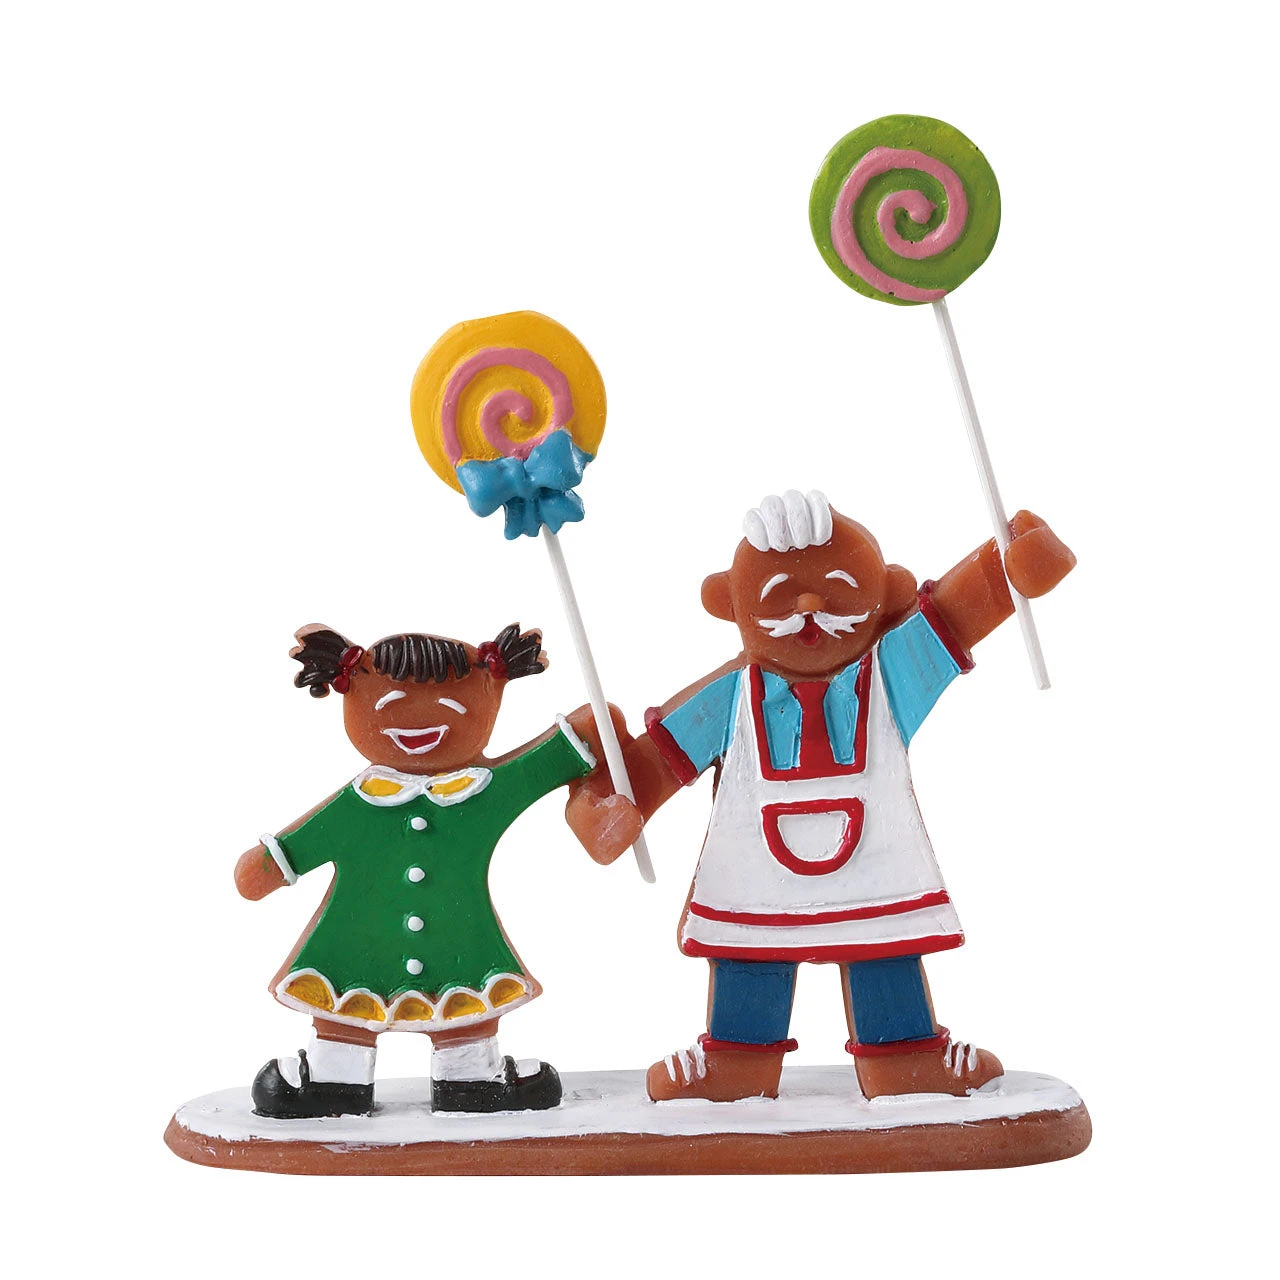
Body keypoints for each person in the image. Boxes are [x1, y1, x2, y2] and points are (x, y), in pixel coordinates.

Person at [568, 490, 1075, 1102]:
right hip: (752, 876)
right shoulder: (727, 701)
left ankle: (907, 1061)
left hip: (876, 869)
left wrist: (1012, 567)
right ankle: (735, 1066)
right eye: (779, 593)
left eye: (838, 588)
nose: (809, 607)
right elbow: (652, 767)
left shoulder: (893, 675)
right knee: (750, 959)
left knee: (884, 953)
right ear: (728, 604)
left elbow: (955, 615)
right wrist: (604, 811)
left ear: (888, 591)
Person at [235, 621, 608, 1117]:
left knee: (464, 1003)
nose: (421, 721)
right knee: (345, 1001)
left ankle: (469, 1082)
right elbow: (302, 844)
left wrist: (588, 737)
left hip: (456, 934)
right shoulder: (358, 805)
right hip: (357, 935)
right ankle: (335, 1083)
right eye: (391, 705)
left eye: (453, 706)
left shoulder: (481, 794)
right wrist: (270, 865)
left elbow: (545, 764)